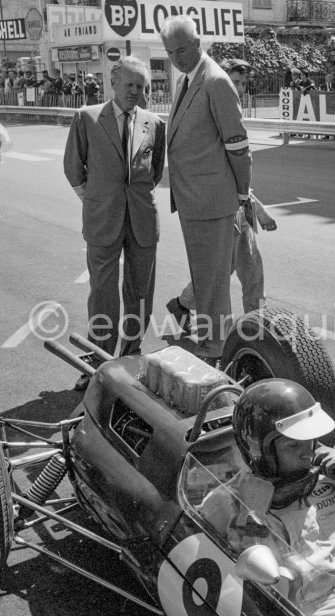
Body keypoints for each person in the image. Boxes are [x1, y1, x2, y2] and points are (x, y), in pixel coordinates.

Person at [200, 378, 335, 616]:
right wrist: (253, 512)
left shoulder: (332, 481)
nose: (308, 453)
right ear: (260, 451)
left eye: (310, 440)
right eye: (293, 446)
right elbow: (266, 593)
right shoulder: (229, 502)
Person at [63, 55, 166, 390]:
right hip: (102, 219)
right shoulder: (88, 118)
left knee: (140, 293)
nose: (136, 91)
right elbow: (73, 169)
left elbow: (156, 172)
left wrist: (131, 199)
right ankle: (97, 361)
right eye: (130, 85)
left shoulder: (154, 123)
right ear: (114, 83)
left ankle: (132, 356)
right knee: (103, 294)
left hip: (142, 221)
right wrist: (95, 201)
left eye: (141, 86)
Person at [160, 15, 251, 366]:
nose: (176, 57)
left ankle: (214, 350)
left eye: (182, 49)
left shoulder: (214, 81)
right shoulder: (190, 79)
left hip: (210, 200)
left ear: (198, 44)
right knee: (207, 276)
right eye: (170, 52)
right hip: (195, 199)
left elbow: (238, 145)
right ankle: (208, 338)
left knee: (213, 284)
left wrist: (243, 193)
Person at [167, 58, 277, 322]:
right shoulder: (212, 108)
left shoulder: (231, 107)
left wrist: (255, 208)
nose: (237, 88)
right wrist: (259, 209)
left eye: (241, 83)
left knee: (250, 268)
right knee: (221, 270)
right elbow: (223, 168)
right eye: (233, 82)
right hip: (220, 207)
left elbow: (238, 169)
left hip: (239, 206)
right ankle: (184, 304)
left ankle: (255, 321)